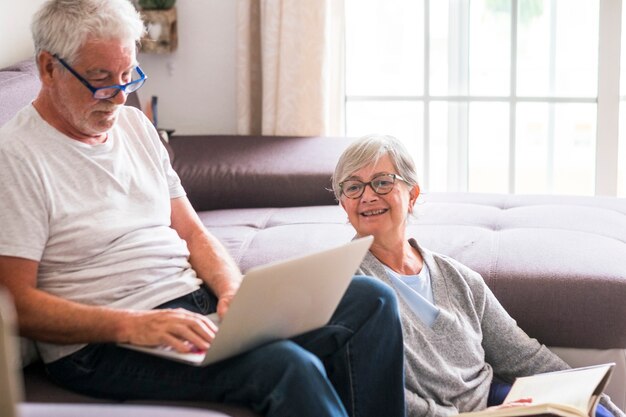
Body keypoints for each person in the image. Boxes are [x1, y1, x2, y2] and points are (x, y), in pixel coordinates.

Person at [0, 2, 407, 416]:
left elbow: (192, 232)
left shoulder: (134, 125)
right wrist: (134, 324)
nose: (120, 96)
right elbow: (16, 303)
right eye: (101, 80)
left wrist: (233, 291)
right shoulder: (16, 158)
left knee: (371, 300)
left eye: (129, 76)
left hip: (193, 304)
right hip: (102, 346)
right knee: (285, 367)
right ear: (49, 68)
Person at [331, 134, 625, 417]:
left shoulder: (460, 278)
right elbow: (372, 389)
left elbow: (525, 357)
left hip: (496, 403)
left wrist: (601, 402)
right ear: (344, 204)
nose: (368, 196)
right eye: (354, 188)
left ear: (412, 195)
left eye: (383, 183)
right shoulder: (345, 286)